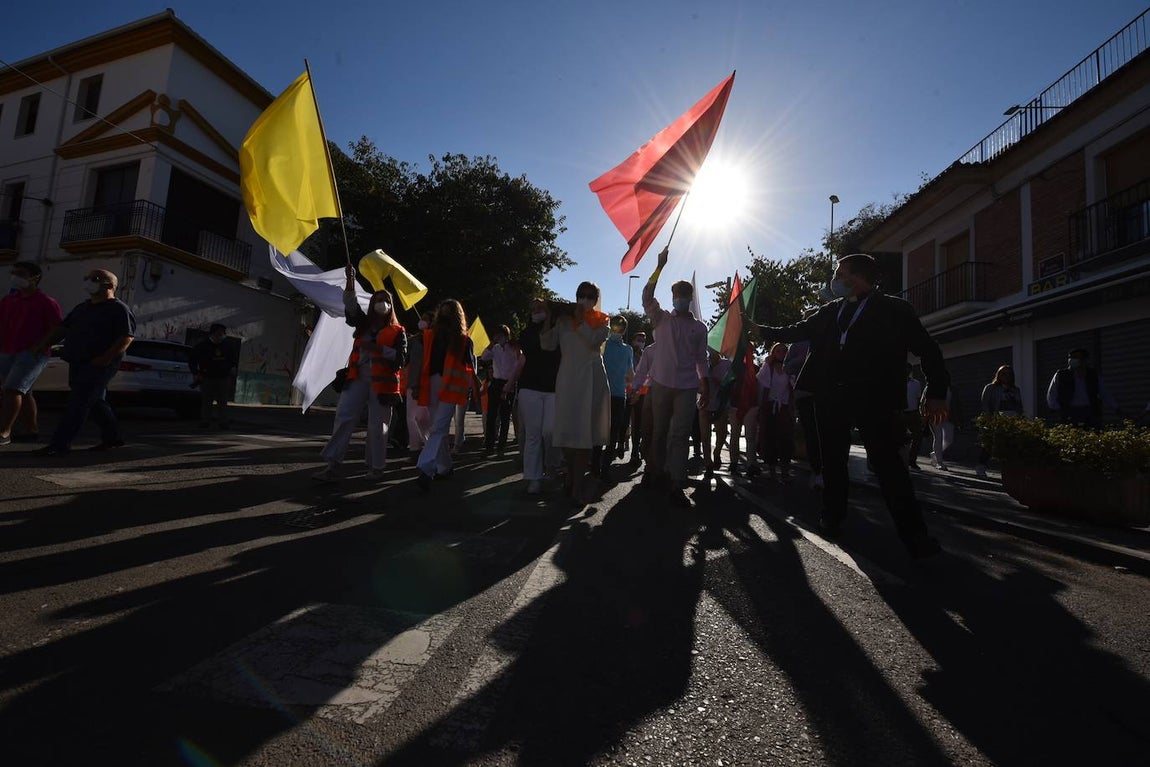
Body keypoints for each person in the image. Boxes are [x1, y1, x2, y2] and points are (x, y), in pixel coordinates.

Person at [753, 253, 949, 559]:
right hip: (831, 397)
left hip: (876, 399)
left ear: (855, 277)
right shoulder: (831, 311)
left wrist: (936, 390)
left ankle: (916, 536)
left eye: (840, 273)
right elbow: (796, 331)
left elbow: (928, 349)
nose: (835, 279)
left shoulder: (894, 309)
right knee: (832, 462)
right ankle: (832, 519)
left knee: (889, 466)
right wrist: (757, 329)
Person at [313, 267, 407, 481]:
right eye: (378, 299)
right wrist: (351, 280)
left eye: (386, 300)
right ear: (372, 304)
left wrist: (379, 350)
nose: (381, 303)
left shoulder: (398, 331)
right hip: (357, 378)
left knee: (378, 425)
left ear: (391, 306)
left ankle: (376, 468)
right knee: (344, 417)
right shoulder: (363, 323)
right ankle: (333, 466)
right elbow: (351, 305)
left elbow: (401, 359)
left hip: (382, 385)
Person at [33, 268, 136, 456]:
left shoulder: (119, 309)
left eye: (95, 279)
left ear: (110, 285)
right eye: (86, 278)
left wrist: (106, 358)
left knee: (78, 402)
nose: (89, 281)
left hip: (99, 364)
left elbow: (126, 337)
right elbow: (63, 329)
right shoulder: (82, 307)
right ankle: (113, 437)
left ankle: (59, 444)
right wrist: (44, 344)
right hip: (77, 360)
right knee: (95, 401)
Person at [642, 247, 710, 508]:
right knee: (659, 432)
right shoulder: (661, 319)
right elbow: (647, 295)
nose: (680, 298)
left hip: (686, 387)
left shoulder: (699, 327)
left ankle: (676, 483)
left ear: (690, 297)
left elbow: (701, 359)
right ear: (672, 297)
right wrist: (659, 267)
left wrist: (705, 384)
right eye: (677, 294)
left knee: (680, 434)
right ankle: (653, 471)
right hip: (660, 384)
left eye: (685, 294)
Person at [542, 282, 610, 502]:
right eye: (582, 294)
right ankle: (571, 477)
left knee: (584, 435)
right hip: (568, 380)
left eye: (590, 296)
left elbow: (593, 340)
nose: (585, 299)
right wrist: (549, 318)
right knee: (566, 433)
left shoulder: (603, 321)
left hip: (591, 381)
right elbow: (547, 345)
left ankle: (577, 487)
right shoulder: (563, 320)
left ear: (596, 299)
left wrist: (579, 319)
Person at [415, 299, 480, 490]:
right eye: (441, 312)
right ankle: (445, 467)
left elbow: (470, 369)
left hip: (450, 388)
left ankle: (426, 468)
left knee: (438, 429)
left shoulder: (464, 340)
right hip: (432, 384)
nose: (444, 317)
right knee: (439, 430)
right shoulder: (429, 336)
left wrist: (473, 391)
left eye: (448, 313)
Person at [0, 261, 63, 445]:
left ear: (35, 278)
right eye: (14, 272)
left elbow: (58, 329)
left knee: (12, 390)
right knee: (24, 392)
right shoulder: (8, 300)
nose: (15, 276)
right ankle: (31, 431)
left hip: (32, 354)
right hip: (7, 351)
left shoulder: (46, 302)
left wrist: (40, 346)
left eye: (21, 273)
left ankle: (4, 432)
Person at [505, 298, 562, 494]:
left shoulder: (559, 331)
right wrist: (510, 383)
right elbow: (535, 347)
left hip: (554, 389)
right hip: (530, 388)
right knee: (533, 434)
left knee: (550, 431)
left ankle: (552, 465)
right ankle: (533, 478)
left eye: (542, 308)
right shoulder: (527, 332)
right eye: (535, 309)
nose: (538, 311)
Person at [1045, 348, 1119, 428]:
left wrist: (1116, 408)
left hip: (1090, 412)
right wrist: (1058, 410)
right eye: (1071, 357)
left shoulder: (1093, 375)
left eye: (1077, 357)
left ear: (1084, 360)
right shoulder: (1061, 375)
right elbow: (1052, 394)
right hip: (1069, 412)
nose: (1073, 359)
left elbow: (1105, 393)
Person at [976, 364, 1024, 478]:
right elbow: (985, 404)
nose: (1006, 376)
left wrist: (1020, 418)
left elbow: (1019, 405)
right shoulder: (991, 388)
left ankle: (1009, 471)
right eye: (1003, 373)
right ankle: (981, 466)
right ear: (998, 375)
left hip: (1012, 419)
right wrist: (989, 419)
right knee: (990, 444)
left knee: (1010, 445)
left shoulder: (1015, 390)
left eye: (1008, 374)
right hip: (996, 418)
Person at [757, 342, 796, 481]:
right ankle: (772, 468)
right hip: (771, 408)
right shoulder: (769, 367)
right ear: (773, 353)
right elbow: (761, 384)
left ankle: (785, 470)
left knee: (786, 440)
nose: (782, 353)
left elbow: (793, 387)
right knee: (770, 438)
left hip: (784, 409)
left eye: (784, 351)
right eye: (778, 351)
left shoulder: (789, 369)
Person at [481, 324, 522, 457]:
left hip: (509, 383)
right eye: (497, 335)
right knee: (491, 416)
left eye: (501, 335)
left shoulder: (513, 348)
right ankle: (489, 446)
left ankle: (501, 448)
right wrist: (492, 343)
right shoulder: (495, 348)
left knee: (505, 417)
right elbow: (484, 357)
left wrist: (511, 383)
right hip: (496, 382)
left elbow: (518, 362)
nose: (499, 337)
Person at [600, 314, 634, 477]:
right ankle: (595, 467)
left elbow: (630, 373)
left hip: (619, 395)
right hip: (601, 393)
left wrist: (633, 388)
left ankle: (604, 468)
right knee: (599, 431)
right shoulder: (602, 345)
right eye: (615, 325)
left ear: (624, 329)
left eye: (621, 327)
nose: (618, 329)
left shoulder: (628, 349)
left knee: (613, 432)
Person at [189, 323, 238, 429]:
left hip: (223, 377)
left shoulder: (227, 346)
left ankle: (223, 422)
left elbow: (233, 360)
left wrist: (232, 367)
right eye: (218, 334)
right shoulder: (202, 346)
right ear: (212, 334)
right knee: (207, 400)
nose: (220, 337)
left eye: (222, 334)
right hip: (207, 377)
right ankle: (205, 421)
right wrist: (196, 373)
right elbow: (192, 360)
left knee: (222, 400)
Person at [405, 311, 434, 457]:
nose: (422, 321)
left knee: (424, 419)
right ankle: (415, 449)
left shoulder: (435, 340)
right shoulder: (413, 341)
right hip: (412, 383)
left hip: (428, 384)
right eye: (422, 318)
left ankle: (429, 448)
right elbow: (407, 361)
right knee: (411, 418)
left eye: (426, 319)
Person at [699, 350, 731, 476]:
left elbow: (732, 382)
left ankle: (717, 452)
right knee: (705, 436)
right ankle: (708, 464)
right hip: (704, 404)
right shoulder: (702, 365)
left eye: (715, 351)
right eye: (710, 350)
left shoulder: (726, 364)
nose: (713, 353)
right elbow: (696, 383)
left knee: (721, 434)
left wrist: (722, 383)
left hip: (720, 405)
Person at [626, 331, 648, 466]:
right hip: (626, 393)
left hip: (642, 394)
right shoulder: (628, 353)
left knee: (638, 424)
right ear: (633, 340)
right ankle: (622, 443)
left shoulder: (647, 355)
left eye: (643, 340)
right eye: (638, 339)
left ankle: (635, 451)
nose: (640, 342)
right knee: (623, 423)